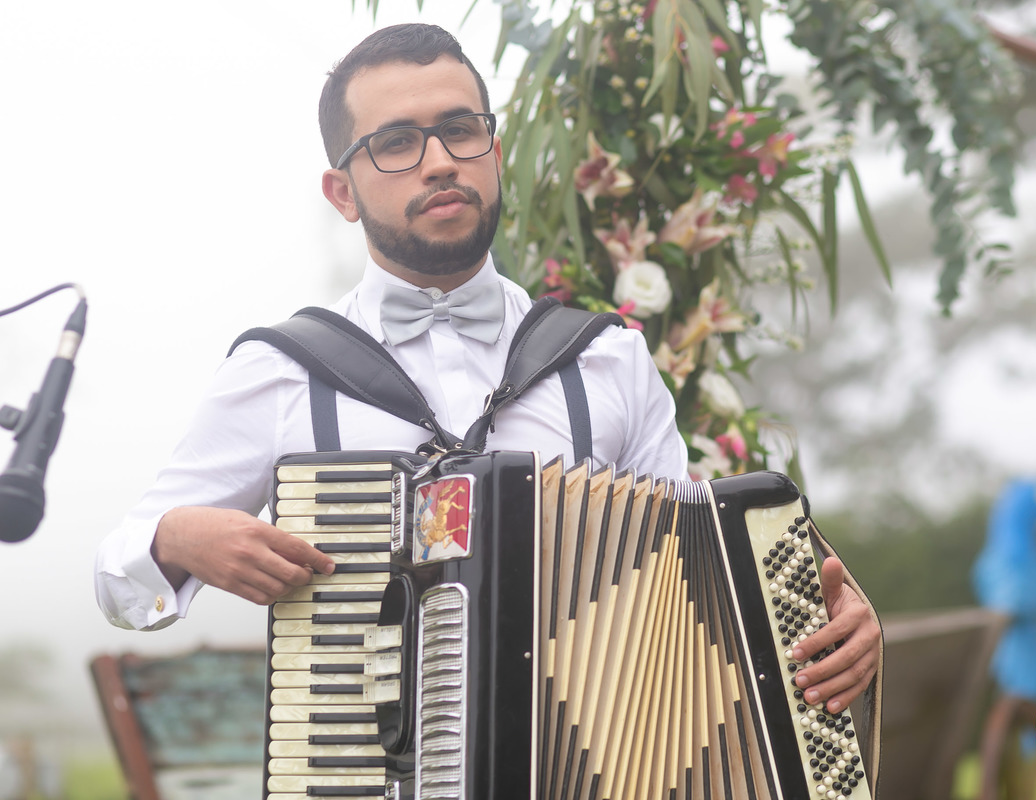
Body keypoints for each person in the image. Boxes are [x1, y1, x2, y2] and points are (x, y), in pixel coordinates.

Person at [93, 23, 879, 716]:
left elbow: (697, 576)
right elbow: (115, 580)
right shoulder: (280, 371)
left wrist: (830, 622)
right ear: (343, 192)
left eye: (459, 130)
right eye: (395, 143)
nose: (438, 161)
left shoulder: (608, 359)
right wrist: (176, 537)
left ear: (494, 155)